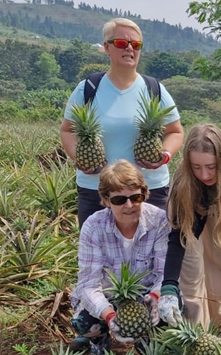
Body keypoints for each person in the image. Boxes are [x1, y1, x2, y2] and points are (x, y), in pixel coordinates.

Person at [60, 17, 184, 228]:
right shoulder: (88, 88)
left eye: (136, 44)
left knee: (152, 255)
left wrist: (164, 155)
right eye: (121, 43)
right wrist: (80, 158)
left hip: (148, 189)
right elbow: (68, 130)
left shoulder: (154, 89)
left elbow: (175, 131)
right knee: (98, 255)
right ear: (107, 48)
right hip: (97, 188)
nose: (129, 48)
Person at [69, 160, 171, 355]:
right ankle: (98, 340)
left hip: (146, 297)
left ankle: (148, 340)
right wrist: (109, 316)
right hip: (108, 298)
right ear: (106, 200)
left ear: (145, 193)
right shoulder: (94, 226)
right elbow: (88, 285)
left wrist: (154, 298)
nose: (129, 205)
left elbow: (164, 274)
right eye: (119, 200)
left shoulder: (159, 221)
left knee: (174, 307)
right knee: (83, 322)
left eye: (136, 197)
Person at [158, 124, 221, 332]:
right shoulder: (187, 182)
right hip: (190, 198)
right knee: (191, 268)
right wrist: (169, 286)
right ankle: (197, 334)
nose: (205, 174)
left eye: (211, 166)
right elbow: (178, 239)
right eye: (196, 167)